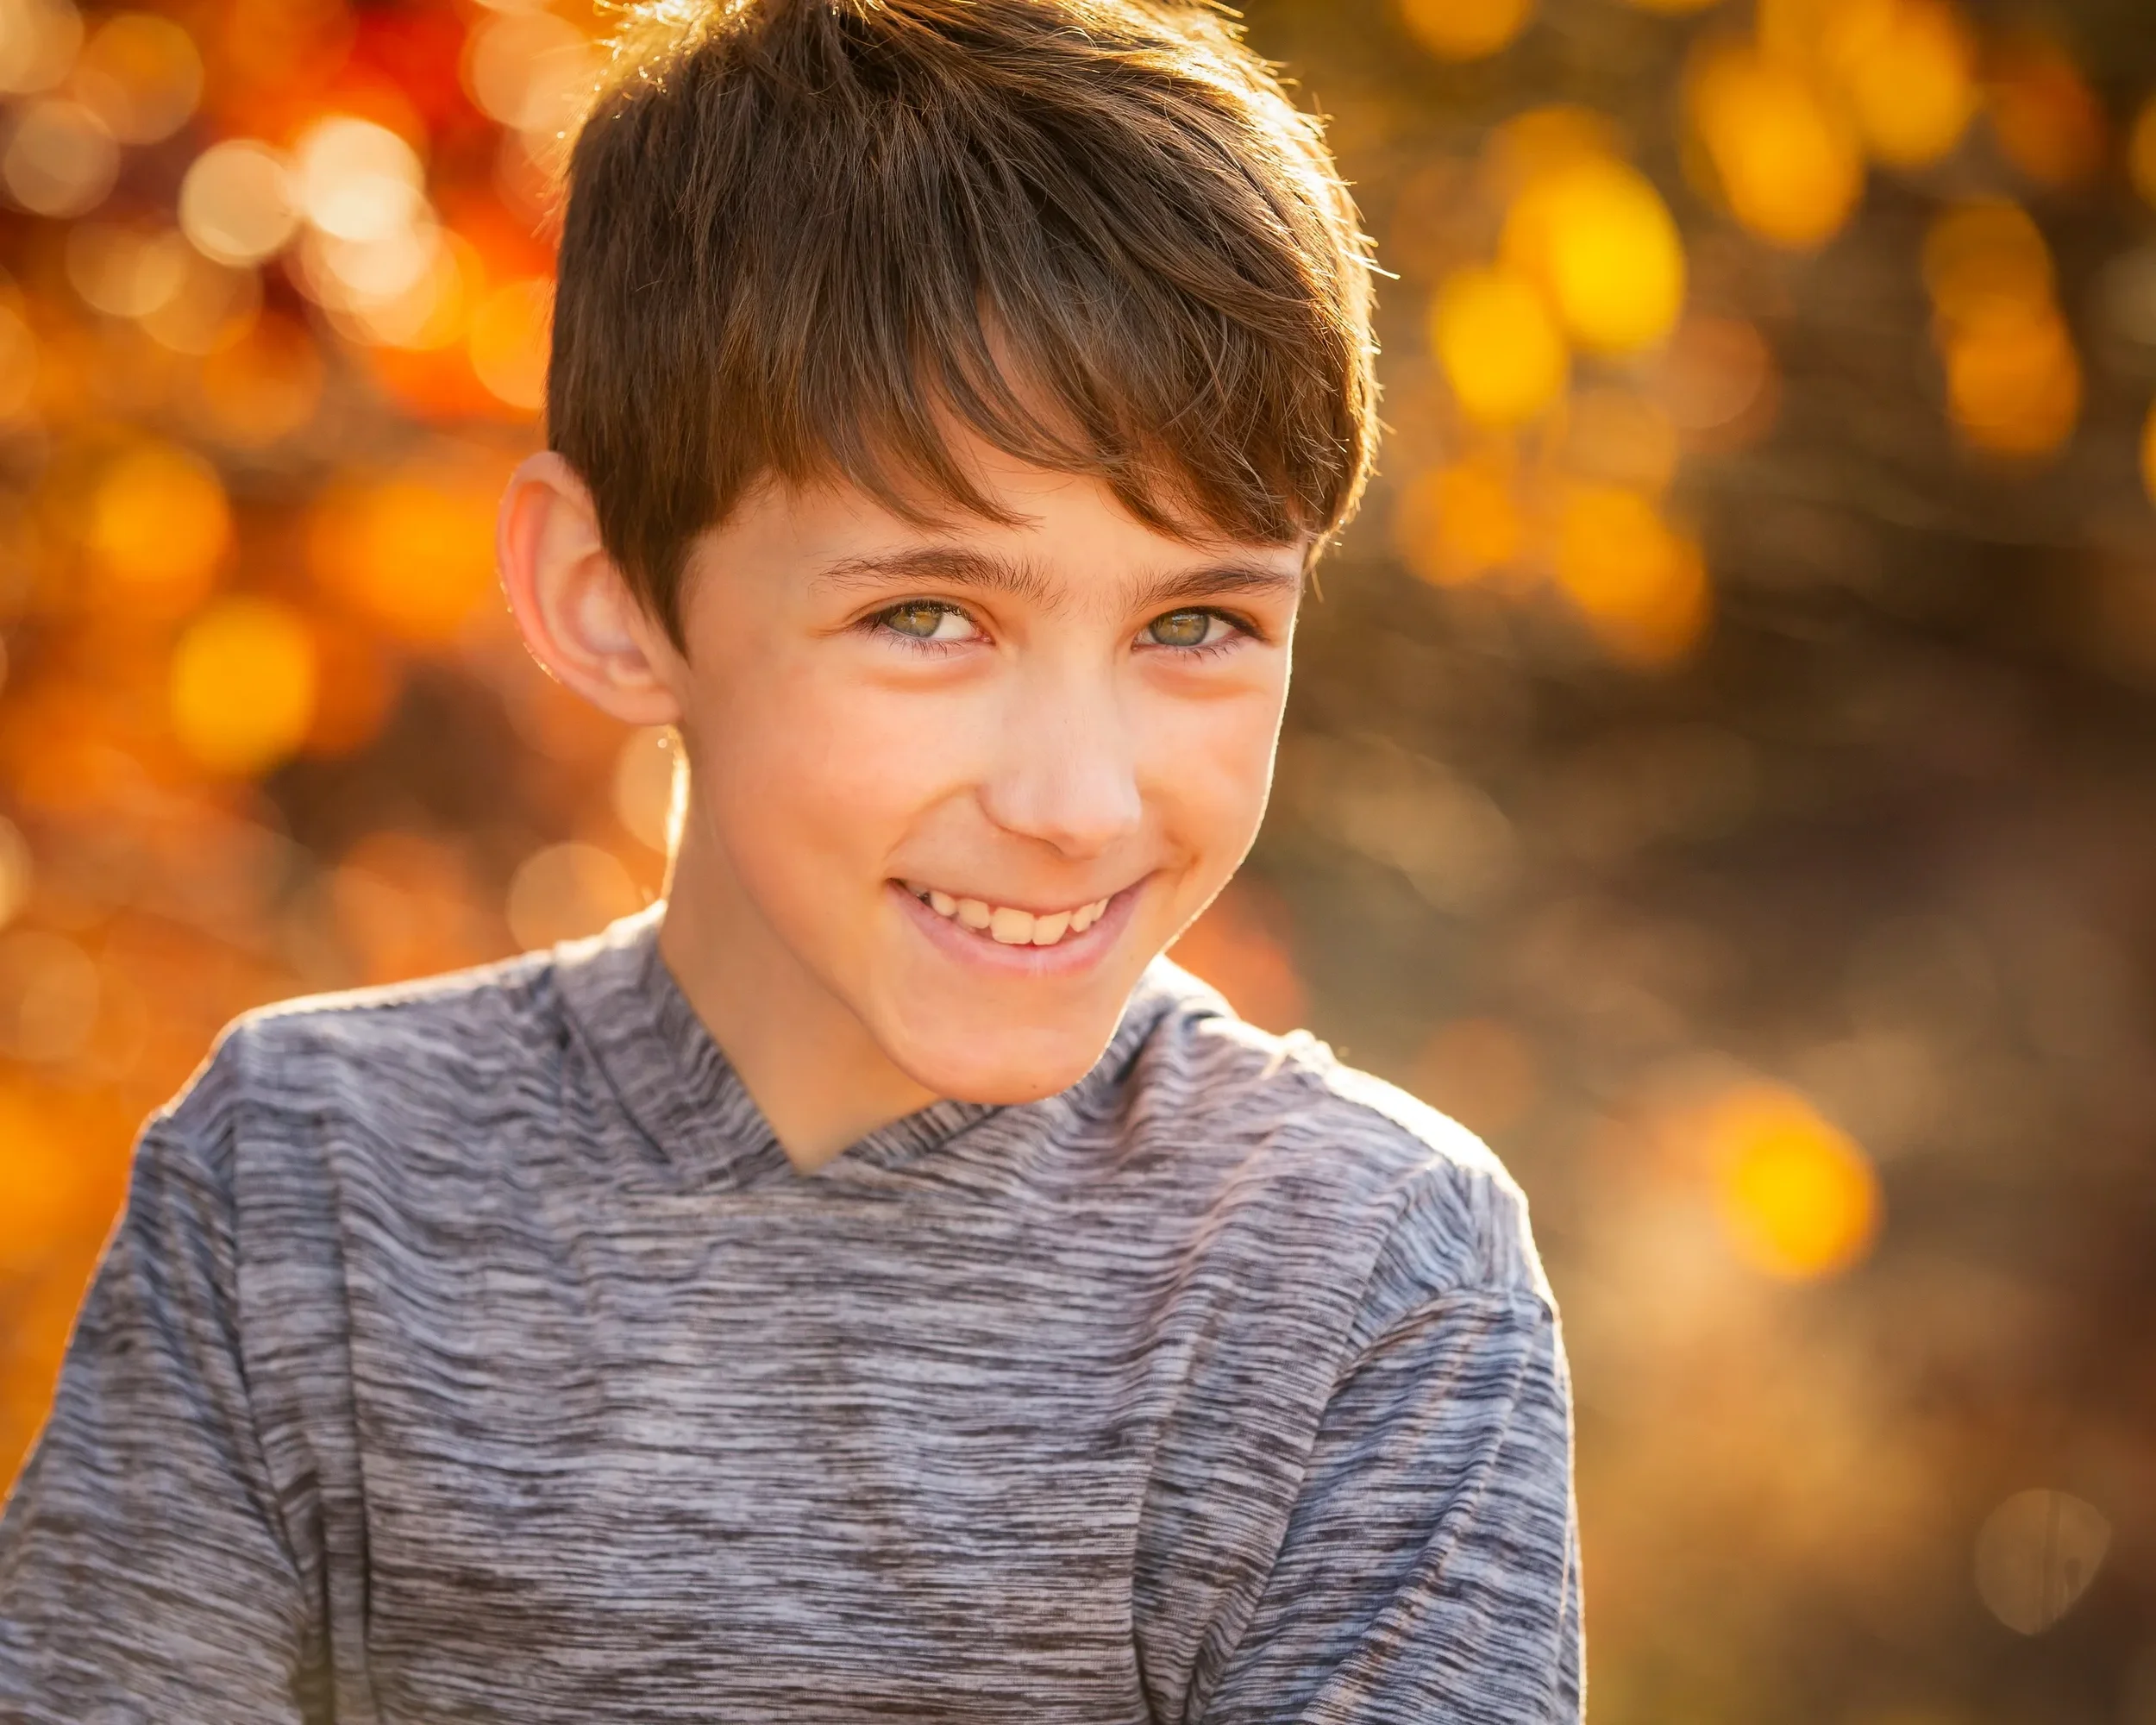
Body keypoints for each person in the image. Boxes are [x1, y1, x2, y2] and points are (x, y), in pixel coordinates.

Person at [0, 1, 1583, 1718]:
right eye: (927, 615)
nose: (1074, 799)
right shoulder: (307, 1186)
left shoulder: (1358, 1277)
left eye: (1193, 621)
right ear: (605, 598)